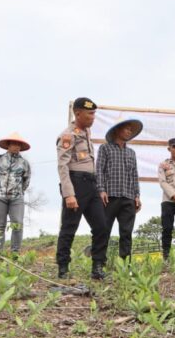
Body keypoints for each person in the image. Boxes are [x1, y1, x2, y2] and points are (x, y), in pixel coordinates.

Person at [55, 97, 109, 280]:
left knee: (101, 226)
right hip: (75, 184)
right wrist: (69, 194)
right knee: (69, 227)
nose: (93, 117)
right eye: (90, 114)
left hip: (91, 184)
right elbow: (62, 166)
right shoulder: (68, 136)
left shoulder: (86, 133)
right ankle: (63, 268)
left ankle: (98, 267)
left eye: (94, 113)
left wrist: (99, 189)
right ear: (77, 113)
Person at [98, 119, 143, 261]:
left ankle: (125, 265)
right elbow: (99, 170)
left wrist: (137, 195)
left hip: (128, 197)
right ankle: (99, 263)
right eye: (126, 129)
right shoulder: (105, 148)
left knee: (126, 233)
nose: (129, 131)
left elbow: (134, 175)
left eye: (131, 129)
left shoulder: (131, 152)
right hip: (109, 196)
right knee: (103, 231)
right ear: (117, 130)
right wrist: (101, 190)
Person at [0, 133, 31, 254]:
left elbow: (26, 180)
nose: (16, 146)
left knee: (18, 223)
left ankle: (15, 253)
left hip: (16, 197)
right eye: (14, 144)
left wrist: (19, 191)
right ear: (8, 145)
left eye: (19, 145)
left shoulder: (24, 163)